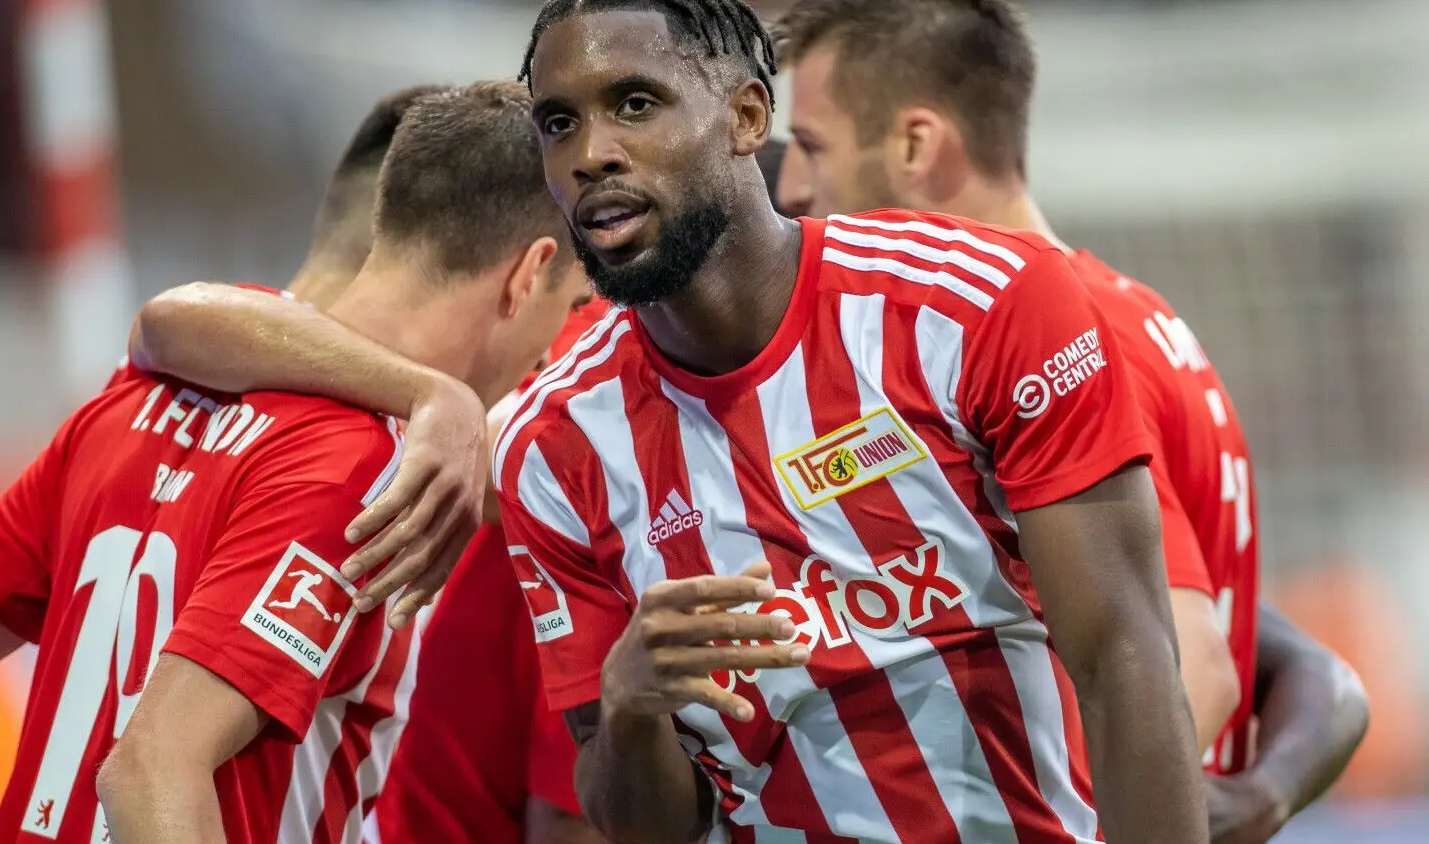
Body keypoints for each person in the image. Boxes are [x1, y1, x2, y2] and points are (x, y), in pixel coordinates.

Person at [497, 1, 1208, 842]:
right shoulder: (549, 448)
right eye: (558, 123)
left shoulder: (977, 305)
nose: (591, 153)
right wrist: (631, 706)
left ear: (747, 117)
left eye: (635, 104)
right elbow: (654, 828)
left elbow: (1126, 660)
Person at [767, 0, 1368, 838]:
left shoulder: (1062, 344)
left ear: (915, 146)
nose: (792, 186)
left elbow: (1189, 668)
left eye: (811, 144)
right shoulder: (1121, 309)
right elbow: (1269, 647)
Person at [0, 82, 590, 844]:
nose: (552, 352)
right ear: (528, 274)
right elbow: (149, 769)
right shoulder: (373, 470)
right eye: (573, 307)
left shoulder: (134, 394)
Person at [121, 107, 610, 844]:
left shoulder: (151, 408)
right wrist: (432, 394)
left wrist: (431, 396)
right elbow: (166, 323)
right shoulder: (372, 450)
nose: (545, 357)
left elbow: (164, 322)